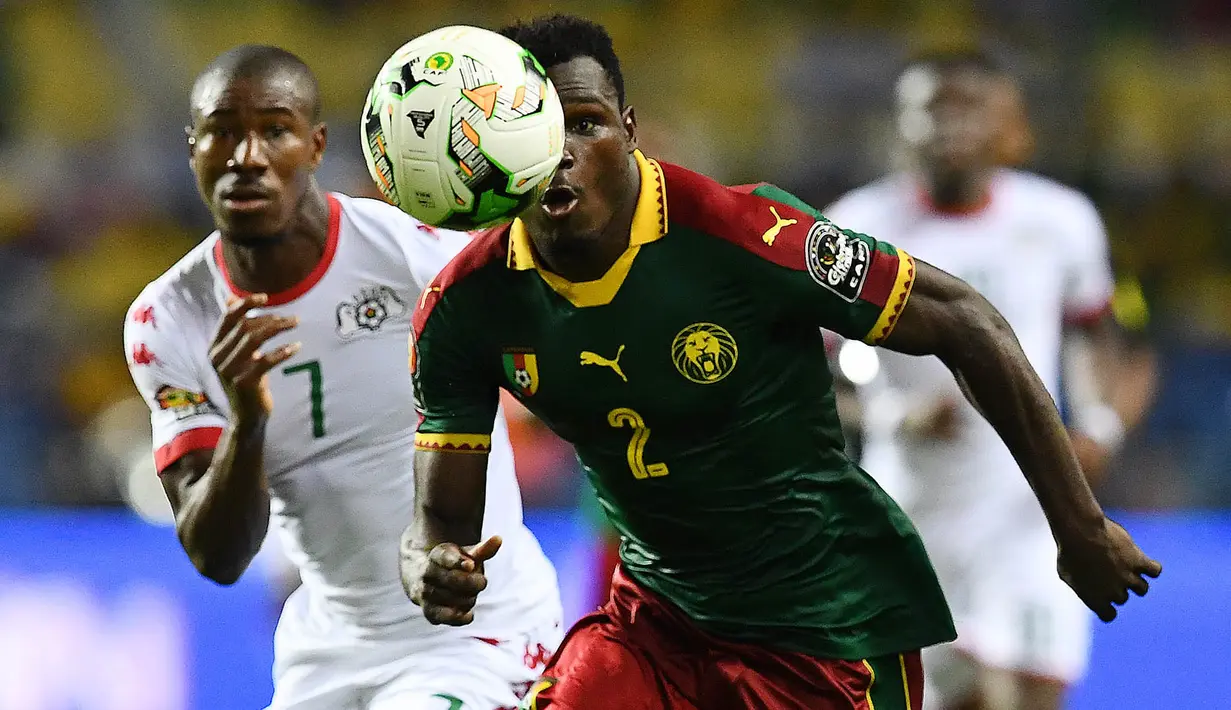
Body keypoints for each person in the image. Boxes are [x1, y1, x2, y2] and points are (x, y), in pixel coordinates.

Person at [399, 16, 1161, 710]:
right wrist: (429, 564)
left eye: (587, 124)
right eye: (535, 130)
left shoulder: (745, 234)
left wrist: (1080, 528)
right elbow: (441, 523)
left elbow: (965, 321)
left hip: (824, 624)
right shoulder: (466, 306)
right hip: (655, 621)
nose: (561, 153)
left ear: (629, 131)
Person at [123, 45, 561, 710]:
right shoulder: (167, 321)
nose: (247, 157)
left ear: (315, 144)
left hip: (477, 630)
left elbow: (560, 363)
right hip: (329, 649)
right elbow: (218, 557)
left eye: (274, 130)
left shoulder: (416, 255)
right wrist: (246, 422)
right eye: (222, 132)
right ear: (193, 149)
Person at [823, 52, 1154, 710]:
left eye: (972, 107)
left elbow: (1107, 339)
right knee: (969, 694)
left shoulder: (1062, 221)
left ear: (1015, 130)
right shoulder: (855, 228)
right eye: (931, 108)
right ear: (899, 127)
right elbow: (811, 370)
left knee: (1034, 695)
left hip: (1029, 512)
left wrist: (1098, 427)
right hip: (912, 512)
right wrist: (890, 417)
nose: (951, 125)